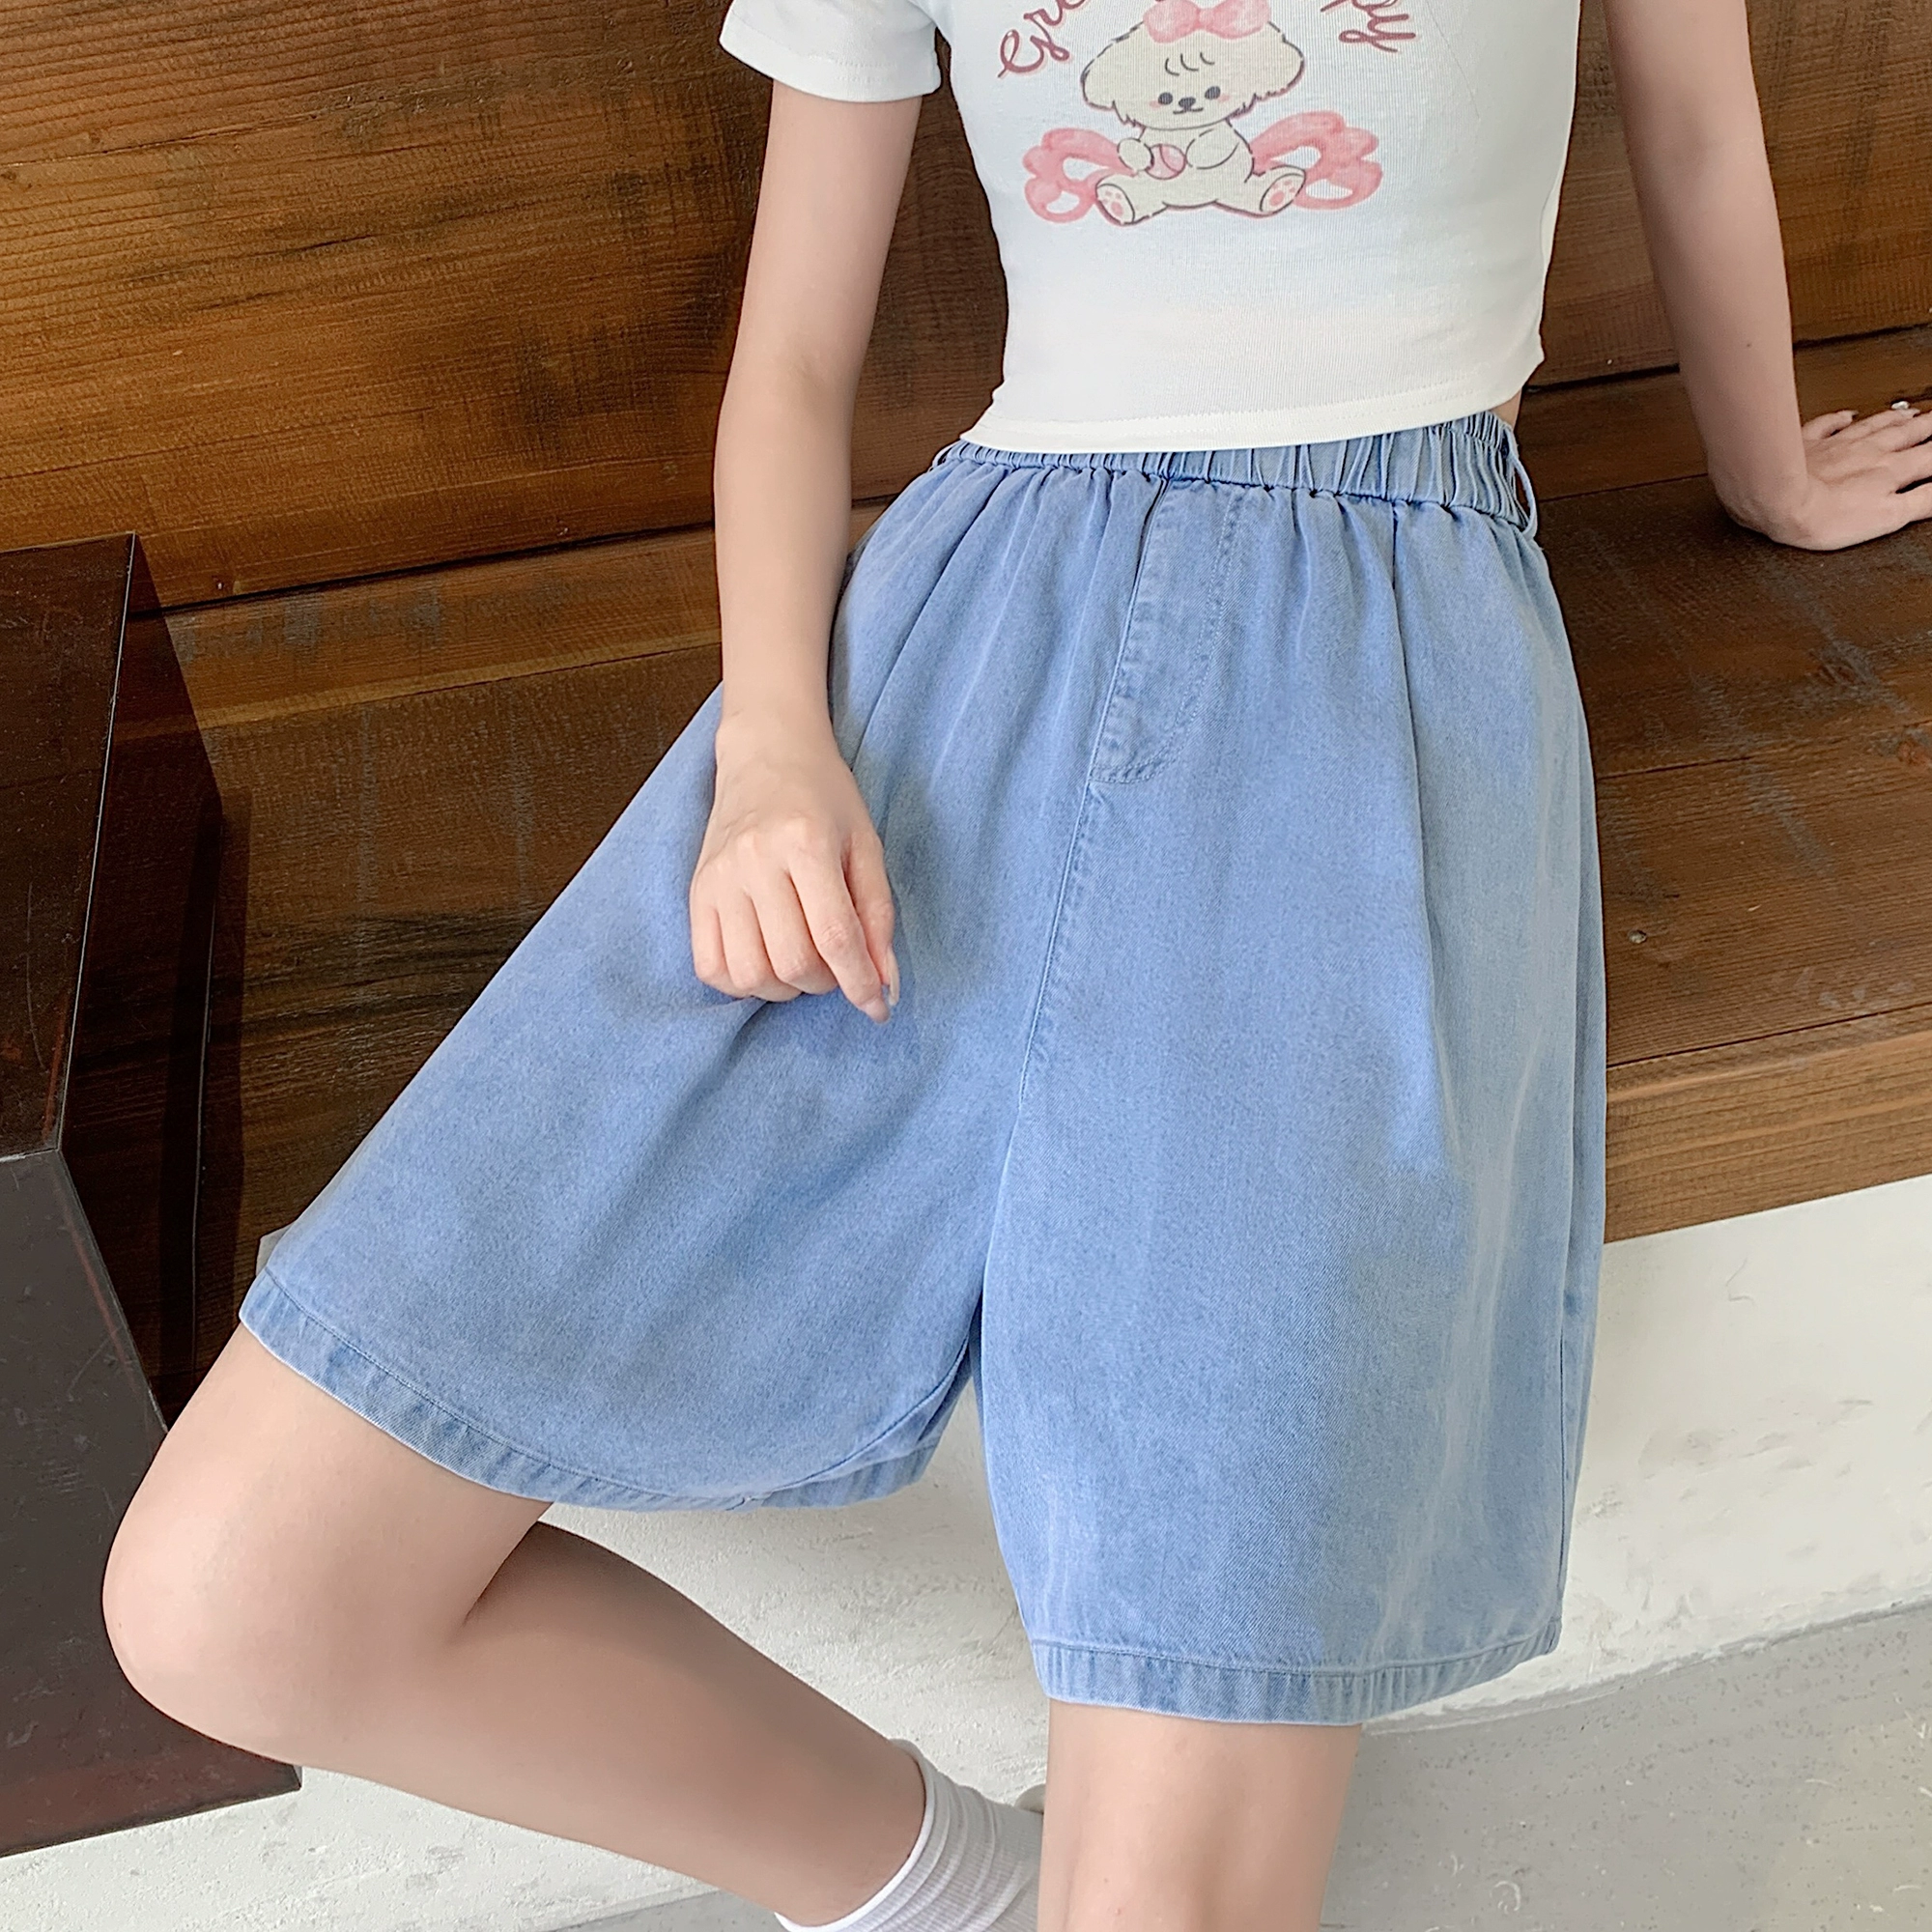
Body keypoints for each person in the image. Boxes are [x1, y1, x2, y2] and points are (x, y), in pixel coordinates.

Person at [102, 0, 1931, 1925]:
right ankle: (951, 1890)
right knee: (234, 1599)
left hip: (1365, 687)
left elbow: (1693, 125)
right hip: (957, 659)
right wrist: (772, 743)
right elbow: (792, 359)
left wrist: (1772, 474)